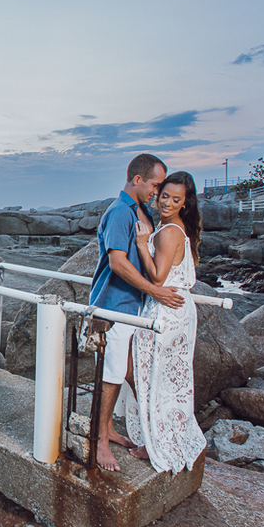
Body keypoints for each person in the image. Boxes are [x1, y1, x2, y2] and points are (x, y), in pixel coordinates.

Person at [87, 154, 184, 471]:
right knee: (112, 374)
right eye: (155, 185)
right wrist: (155, 291)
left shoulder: (142, 213)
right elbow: (117, 262)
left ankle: (111, 430)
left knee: (128, 373)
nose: (158, 192)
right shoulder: (119, 213)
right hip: (116, 306)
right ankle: (99, 441)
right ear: (137, 179)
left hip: (137, 308)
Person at [124, 171, 206, 473]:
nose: (167, 203)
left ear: (185, 203)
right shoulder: (173, 227)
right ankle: (158, 437)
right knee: (163, 377)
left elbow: (157, 277)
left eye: (176, 199)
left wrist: (144, 244)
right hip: (175, 308)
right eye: (165, 196)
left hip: (165, 309)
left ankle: (157, 442)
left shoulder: (170, 231)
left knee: (149, 374)